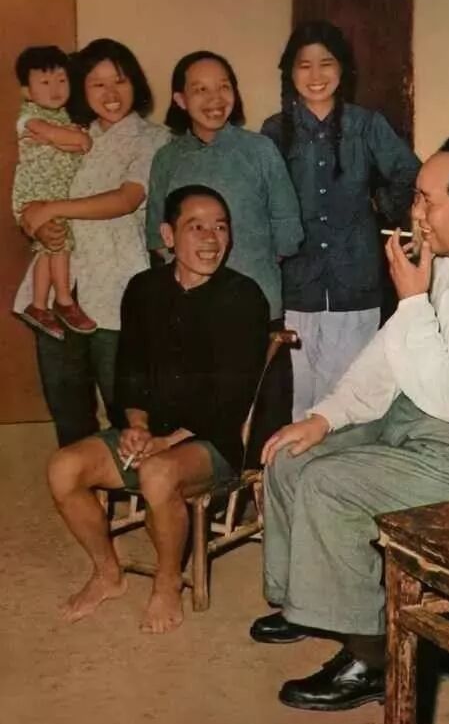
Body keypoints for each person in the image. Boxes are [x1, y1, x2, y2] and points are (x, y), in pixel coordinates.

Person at [249, 130, 449, 711]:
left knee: (329, 486)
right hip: (429, 416)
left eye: (427, 199)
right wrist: (325, 417)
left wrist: (413, 301)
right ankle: (309, 601)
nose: (413, 211)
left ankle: (373, 659)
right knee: (293, 456)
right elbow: (390, 355)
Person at [48, 184, 269, 634]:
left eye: (220, 227)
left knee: (157, 473)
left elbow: (232, 395)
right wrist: (136, 425)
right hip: (153, 432)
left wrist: (168, 441)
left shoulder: (244, 297)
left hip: (212, 439)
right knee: (63, 468)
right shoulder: (143, 288)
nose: (211, 238)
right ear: (168, 235)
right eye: (196, 227)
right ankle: (107, 573)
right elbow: (129, 368)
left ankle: (167, 582)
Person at [261, 21, 420, 420]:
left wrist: (381, 204)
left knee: (347, 403)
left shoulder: (366, 124)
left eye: (326, 63)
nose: (316, 75)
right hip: (296, 286)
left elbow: (410, 173)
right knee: (298, 406)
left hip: (355, 281)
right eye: (304, 65)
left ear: (343, 68)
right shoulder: (274, 131)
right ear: (289, 72)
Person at [145, 51, 304, 451]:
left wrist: (247, 272)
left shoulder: (259, 150)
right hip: (190, 315)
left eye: (223, 87)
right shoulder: (168, 158)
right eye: (200, 89)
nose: (215, 98)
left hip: (258, 310)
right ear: (180, 100)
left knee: (261, 434)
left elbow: (289, 233)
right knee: (195, 433)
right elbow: (157, 237)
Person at [14, 39, 169, 446]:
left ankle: (126, 484)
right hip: (58, 287)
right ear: (82, 89)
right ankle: (78, 480)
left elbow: (127, 198)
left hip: (116, 286)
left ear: (135, 83)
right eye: (97, 84)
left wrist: (52, 209)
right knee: (66, 407)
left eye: (120, 81)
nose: (110, 93)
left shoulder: (153, 138)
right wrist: (37, 224)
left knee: (125, 408)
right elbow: (34, 186)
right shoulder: (72, 133)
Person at [12, 45, 96, 340]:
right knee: (60, 246)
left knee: (48, 250)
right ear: (27, 91)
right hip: (38, 195)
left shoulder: (62, 116)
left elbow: (82, 145)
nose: (56, 88)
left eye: (61, 80)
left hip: (56, 195)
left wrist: (65, 140)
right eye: (45, 82)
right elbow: (77, 141)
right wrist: (69, 139)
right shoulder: (29, 118)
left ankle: (38, 305)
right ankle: (63, 299)